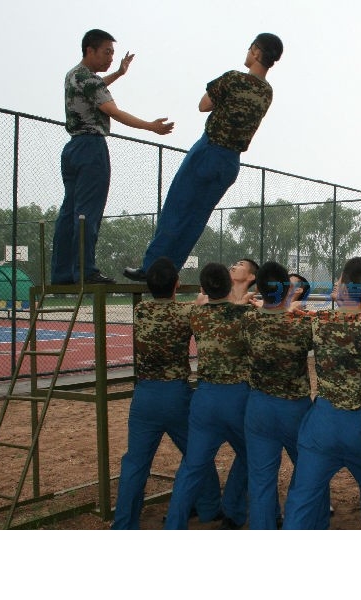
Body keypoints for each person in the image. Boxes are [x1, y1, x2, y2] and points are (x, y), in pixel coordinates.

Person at [123, 34, 283, 282]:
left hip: (209, 150)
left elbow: (203, 105)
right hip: (231, 162)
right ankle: (168, 272)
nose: (247, 52)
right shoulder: (267, 92)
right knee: (196, 220)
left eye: (250, 48)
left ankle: (151, 268)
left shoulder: (233, 78)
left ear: (256, 52)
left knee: (176, 209)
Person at [52, 28, 174, 285]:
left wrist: (118, 73)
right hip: (91, 148)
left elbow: (96, 86)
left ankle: (63, 273)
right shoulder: (90, 80)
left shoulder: (74, 75)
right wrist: (151, 126)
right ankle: (85, 271)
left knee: (69, 212)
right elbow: (113, 111)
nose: (110, 57)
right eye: (106, 52)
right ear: (90, 50)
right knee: (88, 212)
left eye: (112, 53)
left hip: (72, 149)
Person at [282, 258, 361, 529]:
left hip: (324, 423)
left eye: (339, 279)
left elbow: (277, 324)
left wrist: (287, 307)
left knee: (302, 498)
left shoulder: (317, 322)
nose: (335, 283)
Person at [111, 257, 220, 529]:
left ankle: (124, 523)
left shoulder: (142, 311)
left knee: (135, 463)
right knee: (197, 454)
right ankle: (208, 508)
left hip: (144, 396)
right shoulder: (186, 312)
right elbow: (199, 313)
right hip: (176, 396)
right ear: (177, 284)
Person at [164, 263, 253, 530]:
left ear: (203, 288)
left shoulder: (197, 315)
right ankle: (235, 512)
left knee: (193, 466)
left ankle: (174, 524)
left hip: (205, 398)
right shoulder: (245, 315)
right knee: (251, 454)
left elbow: (195, 306)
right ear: (228, 286)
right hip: (238, 397)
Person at [240, 260, 326, 529]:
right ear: (287, 289)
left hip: (259, 407)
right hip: (294, 407)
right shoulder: (303, 323)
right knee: (310, 471)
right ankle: (308, 524)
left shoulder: (248, 320)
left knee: (261, 478)